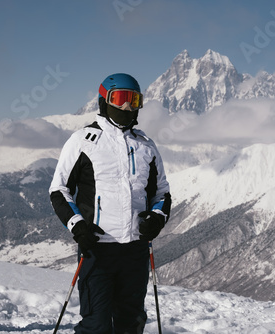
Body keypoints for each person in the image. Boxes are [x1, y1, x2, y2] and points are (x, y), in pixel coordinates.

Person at [49, 73, 171, 334]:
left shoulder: (146, 145)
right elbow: (59, 189)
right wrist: (78, 225)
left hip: (135, 250)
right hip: (97, 248)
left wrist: (157, 218)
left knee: (131, 322)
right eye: (121, 99)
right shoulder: (83, 140)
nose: (127, 107)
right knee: (97, 325)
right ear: (105, 101)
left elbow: (161, 193)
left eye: (134, 100)